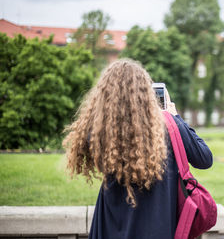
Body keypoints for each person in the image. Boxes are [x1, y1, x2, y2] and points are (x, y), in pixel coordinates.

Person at [62, 58, 213, 239]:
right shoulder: (169, 126)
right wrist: (175, 117)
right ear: (145, 94)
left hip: (110, 227)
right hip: (157, 227)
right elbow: (205, 158)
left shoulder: (98, 130)